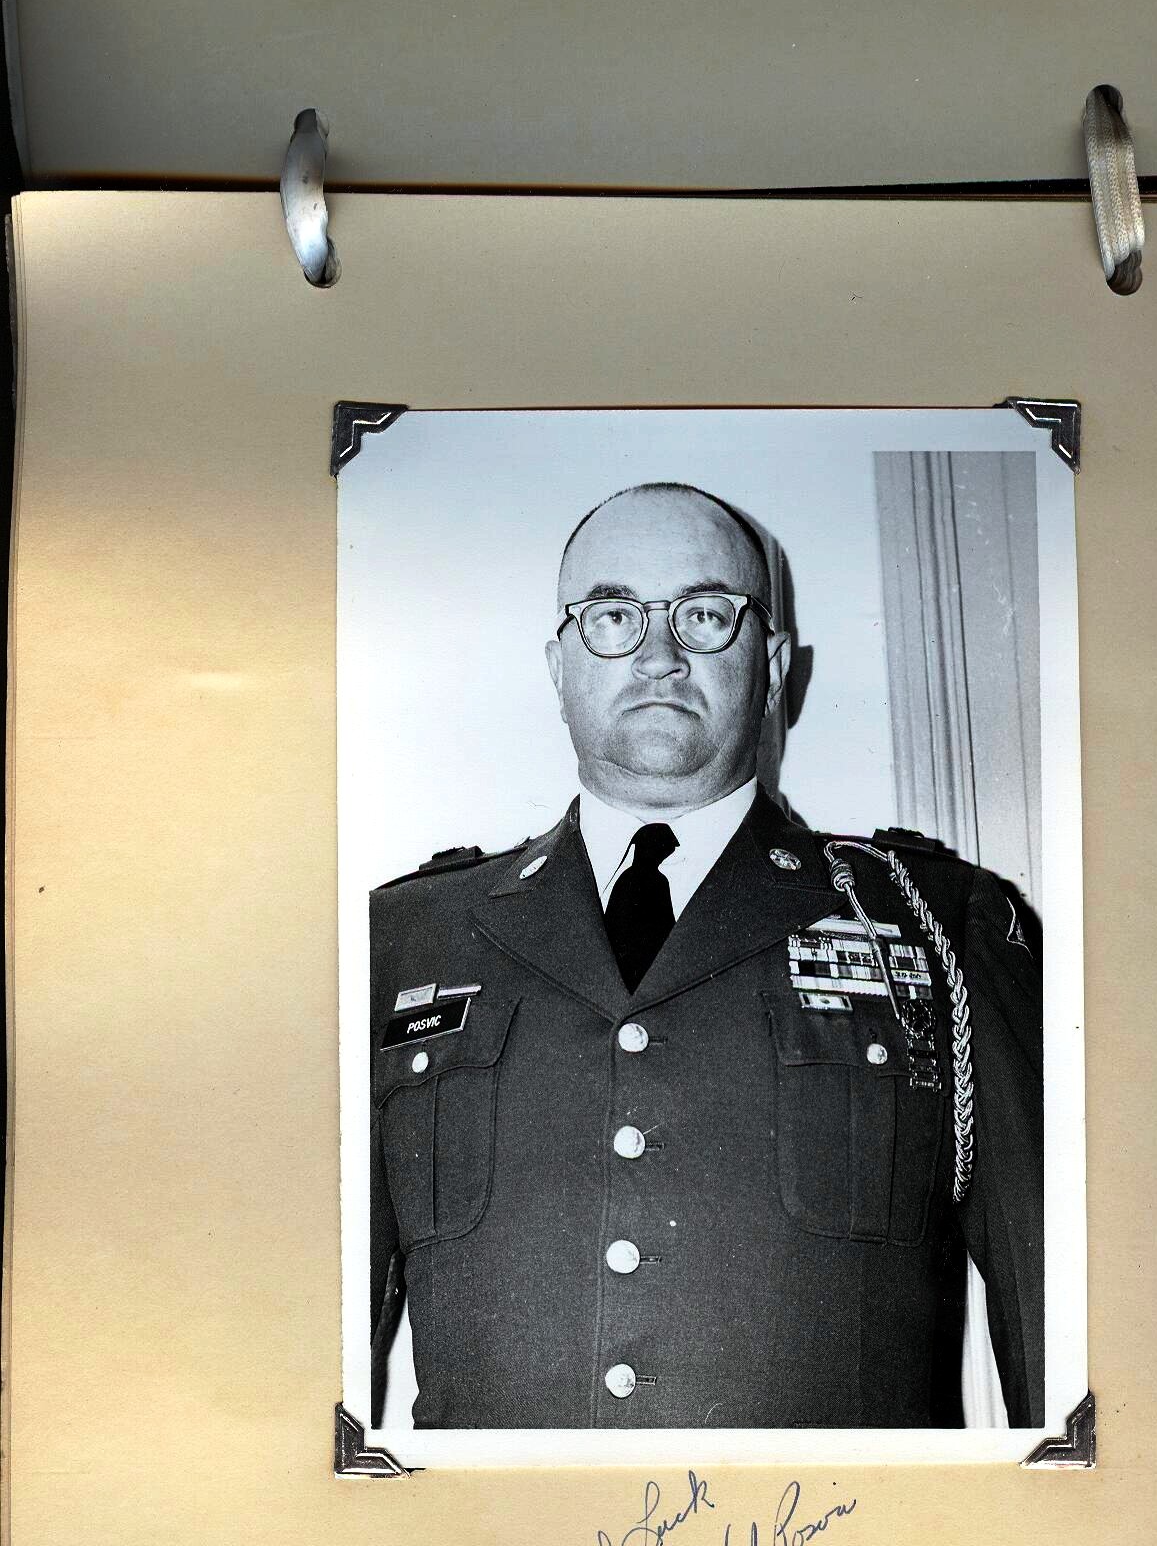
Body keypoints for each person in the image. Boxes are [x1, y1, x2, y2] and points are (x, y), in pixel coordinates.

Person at [369, 482, 1043, 1429]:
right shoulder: (404, 939)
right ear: (558, 667)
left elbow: (1062, 1345)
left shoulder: (941, 926)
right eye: (612, 615)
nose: (658, 654)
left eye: (704, 612)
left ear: (772, 666)